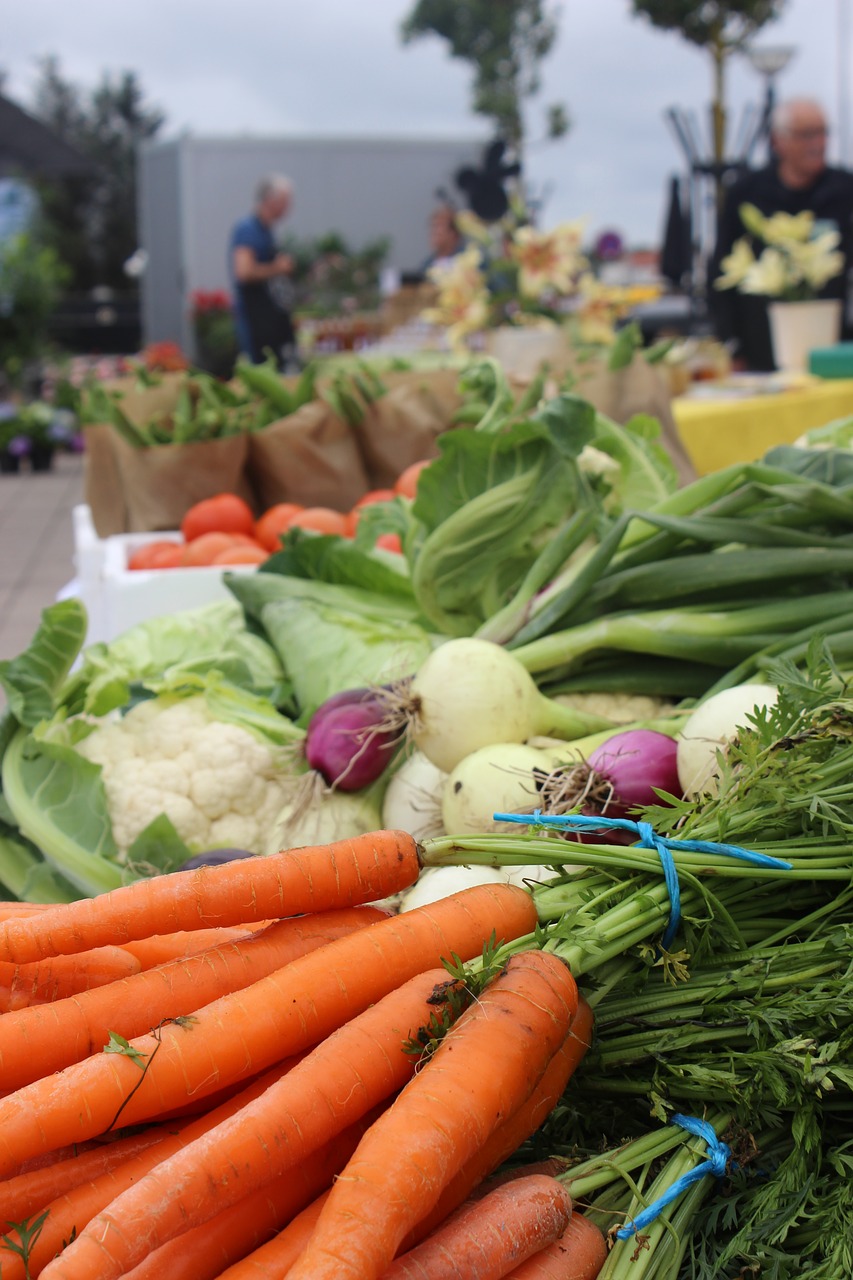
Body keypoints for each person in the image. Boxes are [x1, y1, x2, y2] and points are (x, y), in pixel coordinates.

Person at [709, 98, 853, 371]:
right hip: (760, 354)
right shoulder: (746, 193)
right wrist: (731, 343)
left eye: (823, 133)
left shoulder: (845, 189)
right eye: (807, 135)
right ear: (779, 142)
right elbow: (720, 271)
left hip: (836, 352)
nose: (819, 143)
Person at [229, 175, 297, 367]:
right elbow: (243, 271)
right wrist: (278, 268)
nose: (289, 207)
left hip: (269, 320)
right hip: (255, 321)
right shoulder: (248, 229)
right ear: (271, 200)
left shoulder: (266, 230)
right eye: (286, 201)